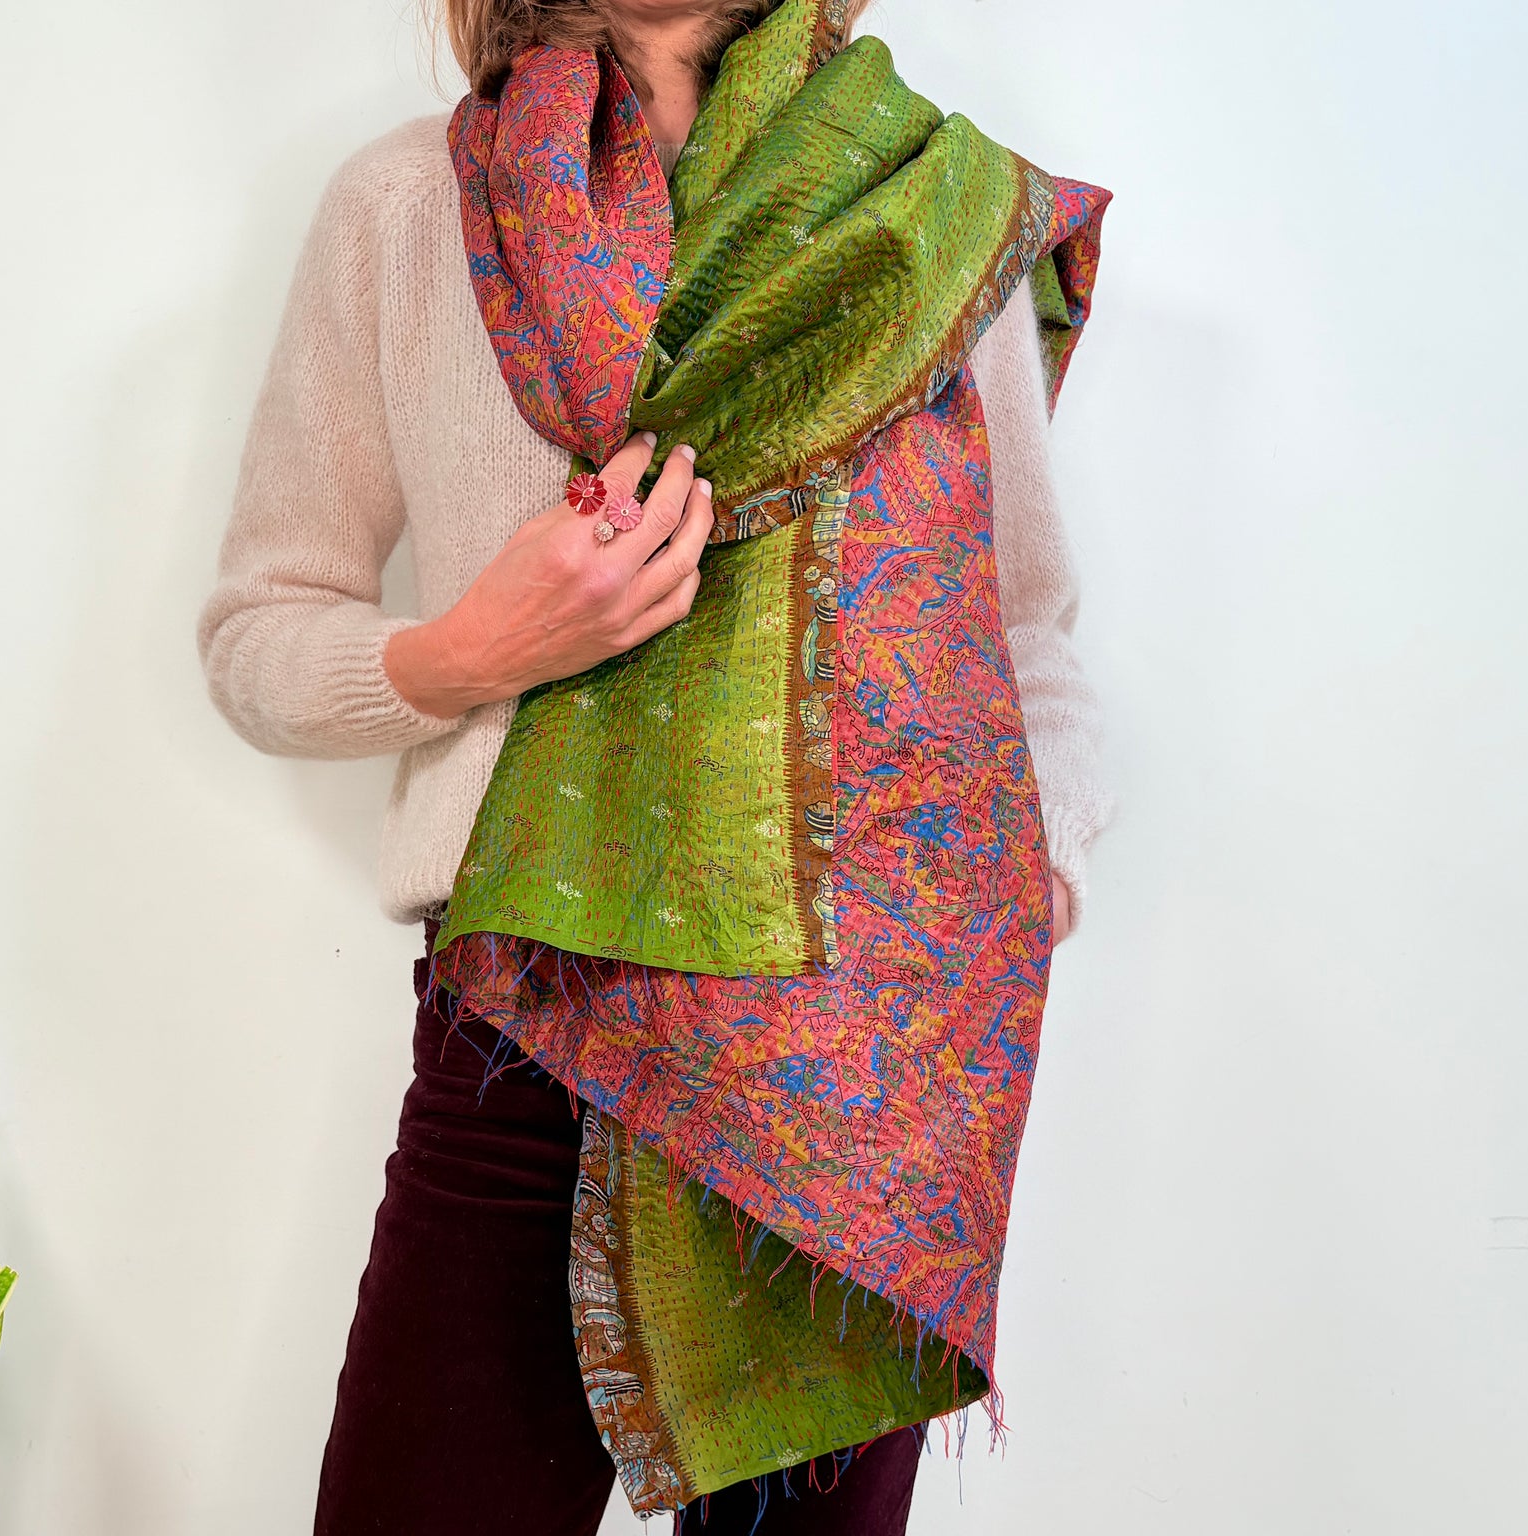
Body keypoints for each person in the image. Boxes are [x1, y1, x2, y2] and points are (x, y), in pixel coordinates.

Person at [198, 1, 1111, 1530]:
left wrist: (1037, 863)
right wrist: (473, 649)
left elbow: (1025, 630)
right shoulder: (415, 205)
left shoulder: (929, 205)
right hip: (525, 1022)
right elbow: (260, 629)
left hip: (858, 1042)